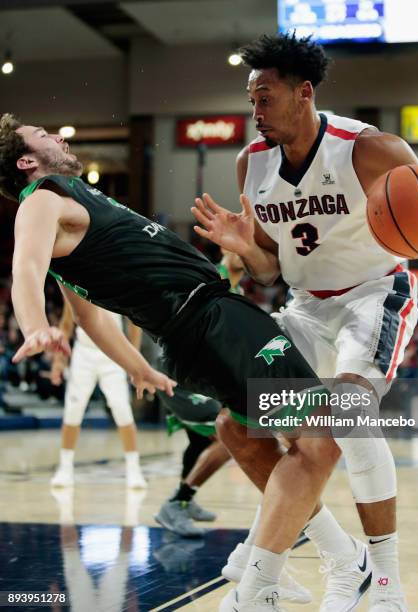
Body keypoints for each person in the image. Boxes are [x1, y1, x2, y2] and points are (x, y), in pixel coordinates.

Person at [191, 33, 418, 611]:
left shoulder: (369, 148)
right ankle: (339, 553)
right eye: (251, 99)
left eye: (266, 98)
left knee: (346, 417)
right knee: (236, 425)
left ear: (304, 94)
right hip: (305, 306)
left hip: (373, 297)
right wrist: (244, 247)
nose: (255, 112)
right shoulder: (249, 164)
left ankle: (383, 580)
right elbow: (273, 267)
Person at [0, 113, 337, 609]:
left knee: (247, 435)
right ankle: (261, 576)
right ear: (27, 160)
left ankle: (275, 561)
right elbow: (24, 271)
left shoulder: (68, 207)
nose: (53, 133)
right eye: (39, 134)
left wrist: (137, 366)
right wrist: (34, 326)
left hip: (196, 331)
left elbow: (90, 318)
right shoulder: (41, 201)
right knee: (322, 433)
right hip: (210, 320)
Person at [154, 249, 243, 537]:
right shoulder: (213, 276)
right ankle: (177, 504)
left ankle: (184, 503)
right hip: (179, 374)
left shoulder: (236, 286)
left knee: (198, 441)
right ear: (226, 249)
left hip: (199, 376)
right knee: (229, 436)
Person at [49, 301, 147, 489]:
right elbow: (67, 324)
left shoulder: (114, 281)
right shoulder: (76, 284)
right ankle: (65, 468)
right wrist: (59, 361)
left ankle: (134, 469)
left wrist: (133, 358)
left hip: (113, 353)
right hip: (84, 354)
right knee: (73, 411)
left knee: (122, 410)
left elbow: (134, 323)